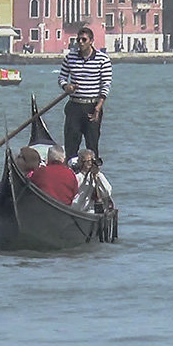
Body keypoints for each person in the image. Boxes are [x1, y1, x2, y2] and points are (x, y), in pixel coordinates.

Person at [58, 27, 112, 161]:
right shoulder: (70, 57)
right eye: (78, 40)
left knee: (92, 145)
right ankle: (70, 173)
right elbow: (62, 78)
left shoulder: (103, 59)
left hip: (92, 107)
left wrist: (98, 107)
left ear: (91, 41)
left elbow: (105, 85)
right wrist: (66, 86)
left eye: (84, 40)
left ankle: (92, 172)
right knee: (71, 145)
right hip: (74, 107)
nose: (80, 42)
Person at [71, 148, 113, 213]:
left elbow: (107, 192)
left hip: (90, 211)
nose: (89, 163)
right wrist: (84, 172)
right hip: (75, 210)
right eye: (87, 161)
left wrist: (97, 174)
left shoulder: (96, 176)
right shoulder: (76, 176)